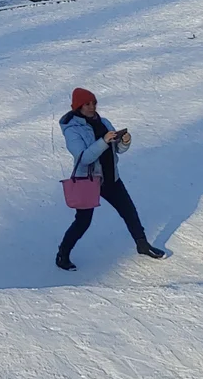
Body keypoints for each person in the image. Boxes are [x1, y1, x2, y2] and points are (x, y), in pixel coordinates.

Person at [57, 88, 163, 269]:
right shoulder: (72, 130)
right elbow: (83, 157)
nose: (92, 107)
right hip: (88, 181)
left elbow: (117, 150)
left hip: (111, 177)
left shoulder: (104, 122)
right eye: (87, 104)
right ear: (78, 107)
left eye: (94, 103)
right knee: (83, 222)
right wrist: (103, 141)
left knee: (129, 211)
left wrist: (124, 142)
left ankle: (142, 245)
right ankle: (62, 254)